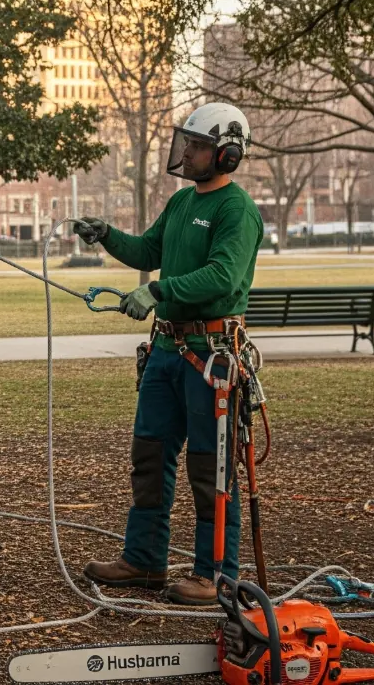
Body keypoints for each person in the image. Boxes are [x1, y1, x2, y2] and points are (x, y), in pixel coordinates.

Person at [75, 102, 263, 606]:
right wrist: (108, 236)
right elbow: (147, 250)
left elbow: (222, 276)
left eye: (199, 146)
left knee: (211, 467)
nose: (189, 153)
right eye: (189, 144)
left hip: (212, 355)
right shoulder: (182, 204)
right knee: (150, 456)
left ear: (227, 154)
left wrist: (158, 292)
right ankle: (144, 560)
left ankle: (215, 574)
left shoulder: (236, 210)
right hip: (165, 351)